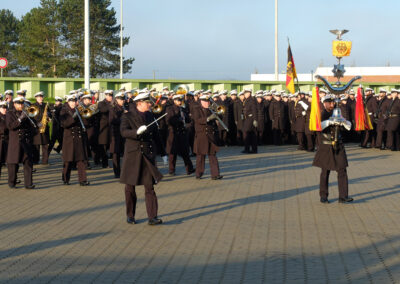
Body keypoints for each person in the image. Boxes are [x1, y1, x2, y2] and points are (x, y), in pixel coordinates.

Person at [120, 92, 166, 225]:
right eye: (147, 102)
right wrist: (136, 132)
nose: (150, 104)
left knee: (149, 187)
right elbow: (123, 132)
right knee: (130, 187)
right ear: (139, 103)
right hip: (133, 155)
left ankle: (152, 217)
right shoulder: (127, 115)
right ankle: (130, 215)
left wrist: (163, 153)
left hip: (147, 154)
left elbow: (156, 135)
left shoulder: (150, 115)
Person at [312, 94, 353, 204]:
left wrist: (343, 122)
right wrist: (330, 121)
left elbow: (349, 125)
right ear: (324, 103)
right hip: (326, 146)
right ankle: (323, 196)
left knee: (342, 170)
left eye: (333, 102)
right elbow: (319, 126)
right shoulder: (322, 113)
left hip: (338, 145)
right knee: (325, 171)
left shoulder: (337, 111)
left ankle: (343, 196)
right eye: (329, 102)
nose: (332, 104)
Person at [60, 94, 90, 186]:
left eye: (74, 101)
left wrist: (85, 117)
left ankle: (83, 180)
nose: (73, 103)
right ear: (68, 102)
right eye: (71, 101)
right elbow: (64, 124)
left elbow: (85, 123)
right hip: (69, 139)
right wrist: (73, 117)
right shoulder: (63, 111)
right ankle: (65, 178)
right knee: (68, 160)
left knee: (81, 160)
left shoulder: (79, 109)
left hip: (79, 138)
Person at [6, 97, 35, 189]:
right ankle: (12, 182)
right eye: (19, 104)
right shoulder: (10, 113)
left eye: (22, 104)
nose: (21, 105)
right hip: (15, 142)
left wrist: (34, 123)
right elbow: (10, 126)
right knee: (13, 164)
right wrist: (20, 119)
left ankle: (28, 184)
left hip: (26, 142)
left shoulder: (26, 113)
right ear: (14, 104)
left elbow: (32, 127)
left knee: (28, 163)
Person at [191, 94, 223, 180]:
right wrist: (208, 119)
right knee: (200, 156)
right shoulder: (196, 109)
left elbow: (219, 117)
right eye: (205, 101)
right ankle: (199, 173)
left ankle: (215, 174)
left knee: (212, 155)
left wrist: (218, 113)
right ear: (201, 101)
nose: (207, 103)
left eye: (208, 101)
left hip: (211, 135)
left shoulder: (211, 109)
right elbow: (197, 120)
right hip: (202, 135)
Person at [165, 94, 195, 176]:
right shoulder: (170, 109)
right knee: (173, 154)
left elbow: (188, 120)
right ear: (174, 100)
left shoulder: (183, 109)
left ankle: (190, 169)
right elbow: (168, 121)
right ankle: (171, 170)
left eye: (181, 100)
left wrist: (189, 123)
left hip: (183, 133)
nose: (180, 102)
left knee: (185, 153)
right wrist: (178, 120)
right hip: (174, 133)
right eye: (178, 100)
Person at [109, 92, 126, 178]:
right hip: (115, 133)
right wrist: (123, 118)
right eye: (121, 99)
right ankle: (117, 172)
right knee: (116, 154)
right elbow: (112, 120)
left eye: (123, 99)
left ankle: (124, 171)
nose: (122, 101)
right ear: (117, 99)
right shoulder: (113, 108)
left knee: (124, 153)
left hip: (123, 133)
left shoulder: (124, 107)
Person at [32, 91, 52, 165]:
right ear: (36, 98)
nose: (40, 98)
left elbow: (50, 115)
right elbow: (31, 116)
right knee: (36, 146)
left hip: (45, 127)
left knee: (45, 145)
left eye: (41, 97)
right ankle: (35, 160)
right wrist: (37, 124)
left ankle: (45, 161)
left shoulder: (46, 105)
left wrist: (49, 117)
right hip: (36, 128)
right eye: (39, 97)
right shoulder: (33, 105)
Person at [98, 90, 113, 168]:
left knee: (110, 145)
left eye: (111, 95)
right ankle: (104, 163)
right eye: (109, 95)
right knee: (103, 146)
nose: (111, 97)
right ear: (106, 96)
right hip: (104, 127)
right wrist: (111, 105)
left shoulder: (112, 103)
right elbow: (103, 110)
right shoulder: (101, 103)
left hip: (111, 127)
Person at [241, 89, 258, 153]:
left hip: (250, 119)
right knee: (251, 134)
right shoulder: (246, 100)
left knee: (246, 133)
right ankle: (250, 149)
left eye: (245, 93)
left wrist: (255, 120)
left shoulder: (252, 100)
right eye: (244, 93)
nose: (244, 94)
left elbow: (254, 110)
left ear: (249, 93)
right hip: (246, 119)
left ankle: (249, 149)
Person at [0, 101, 9, 180]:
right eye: (3, 108)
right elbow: (2, 129)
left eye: (6, 108)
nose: (5, 109)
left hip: (8, 141)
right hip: (1, 141)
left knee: (9, 161)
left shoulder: (8, 116)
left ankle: (12, 179)